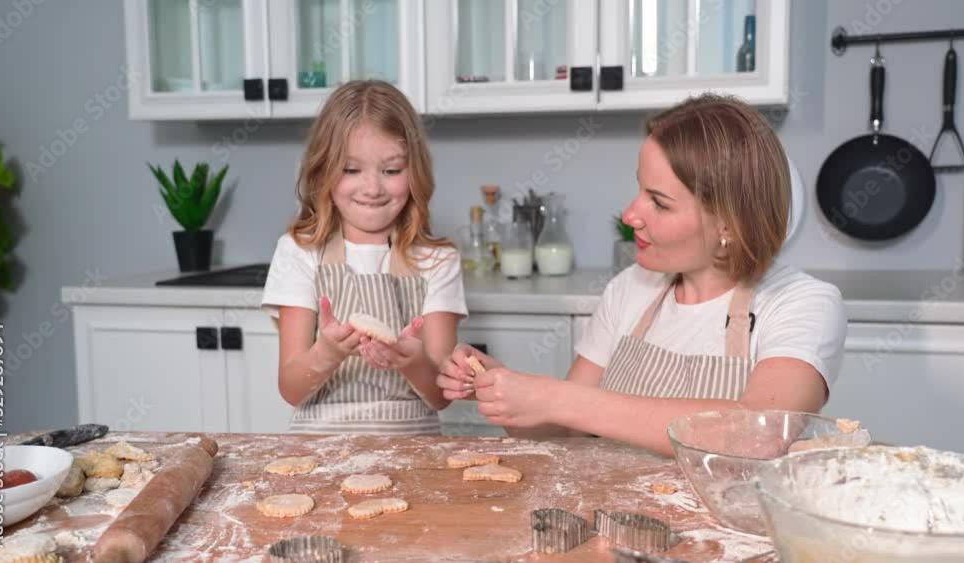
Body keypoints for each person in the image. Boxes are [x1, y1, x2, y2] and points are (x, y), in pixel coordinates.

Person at [437, 94, 848, 455]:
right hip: (609, 527)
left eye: (659, 203)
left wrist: (557, 398)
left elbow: (757, 435)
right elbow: (563, 433)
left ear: (727, 223)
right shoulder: (631, 288)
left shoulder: (801, 302)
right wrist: (502, 386)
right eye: (639, 191)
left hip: (724, 536)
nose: (631, 215)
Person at [261, 80, 467, 435]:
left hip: (414, 451)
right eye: (351, 169)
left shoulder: (438, 260)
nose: (372, 188)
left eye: (391, 170)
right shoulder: (299, 252)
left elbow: (440, 396)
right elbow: (291, 389)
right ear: (323, 169)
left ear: (414, 171)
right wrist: (327, 352)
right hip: (319, 452)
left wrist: (413, 361)